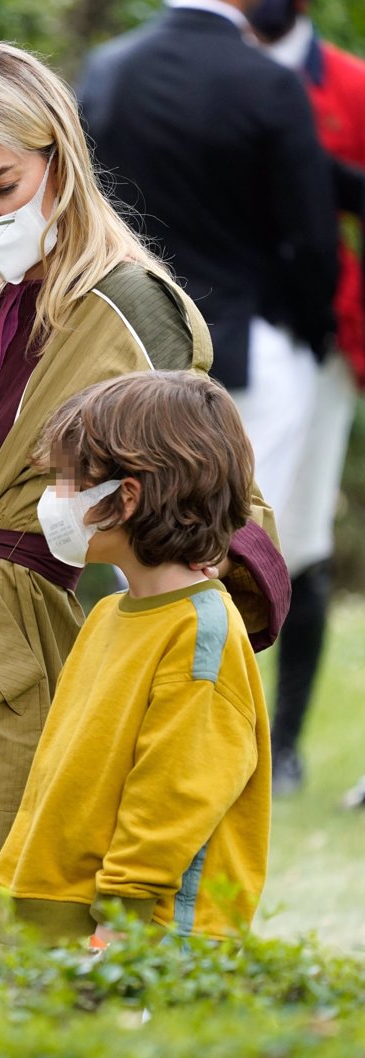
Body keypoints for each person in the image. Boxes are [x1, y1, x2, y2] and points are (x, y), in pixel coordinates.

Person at [0, 40, 289, 965]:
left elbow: (215, 488)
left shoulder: (128, 305)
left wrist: (183, 621)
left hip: (6, 653)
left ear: (59, 159)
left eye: (1, 186)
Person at [0, 370, 270, 947]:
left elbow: (175, 795)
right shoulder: (108, 616)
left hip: (135, 941)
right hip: (54, 919)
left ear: (127, 496)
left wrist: (117, 923)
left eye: (67, 481)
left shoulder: (201, 632)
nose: (52, 501)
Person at [78, 0, 338, 523]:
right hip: (251, 351)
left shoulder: (107, 70)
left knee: (135, 542)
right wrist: (311, 333)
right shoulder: (269, 83)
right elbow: (313, 237)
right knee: (247, 543)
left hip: (129, 349)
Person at [245, 0, 365, 796]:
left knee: (309, 538)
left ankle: (284, 746)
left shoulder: (351, 87)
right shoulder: (211, 74)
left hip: (324, 343)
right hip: (226, 337)